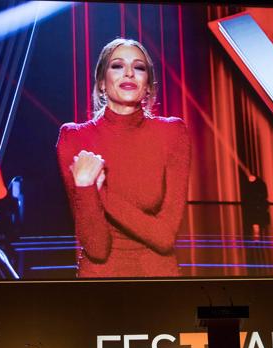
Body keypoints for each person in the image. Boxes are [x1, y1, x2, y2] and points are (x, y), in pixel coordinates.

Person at [56, 38, 191, 278]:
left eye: (139, 68)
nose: (129, 73)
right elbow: (96, 249)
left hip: (158, 280)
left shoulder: (173, 133)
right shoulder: (74, 138)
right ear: (101, 84)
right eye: (117, 66)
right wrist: (86, 190)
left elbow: (164, 238)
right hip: (100, 285)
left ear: (148, 85)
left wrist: (100, 193)